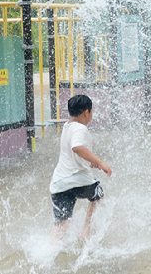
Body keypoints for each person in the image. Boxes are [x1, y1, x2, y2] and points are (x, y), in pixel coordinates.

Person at [49, 95, 112, 241]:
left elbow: (72, 154)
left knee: (61, 224)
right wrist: (100, 162)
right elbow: (77, 147)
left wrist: (90, 163)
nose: (90, 117)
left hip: (60, 184)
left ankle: (48, 253)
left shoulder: (67, 127)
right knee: (98, 195)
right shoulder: (80, 128)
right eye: (91, 113)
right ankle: (85, 232)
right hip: (79, 182)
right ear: (86, 112)